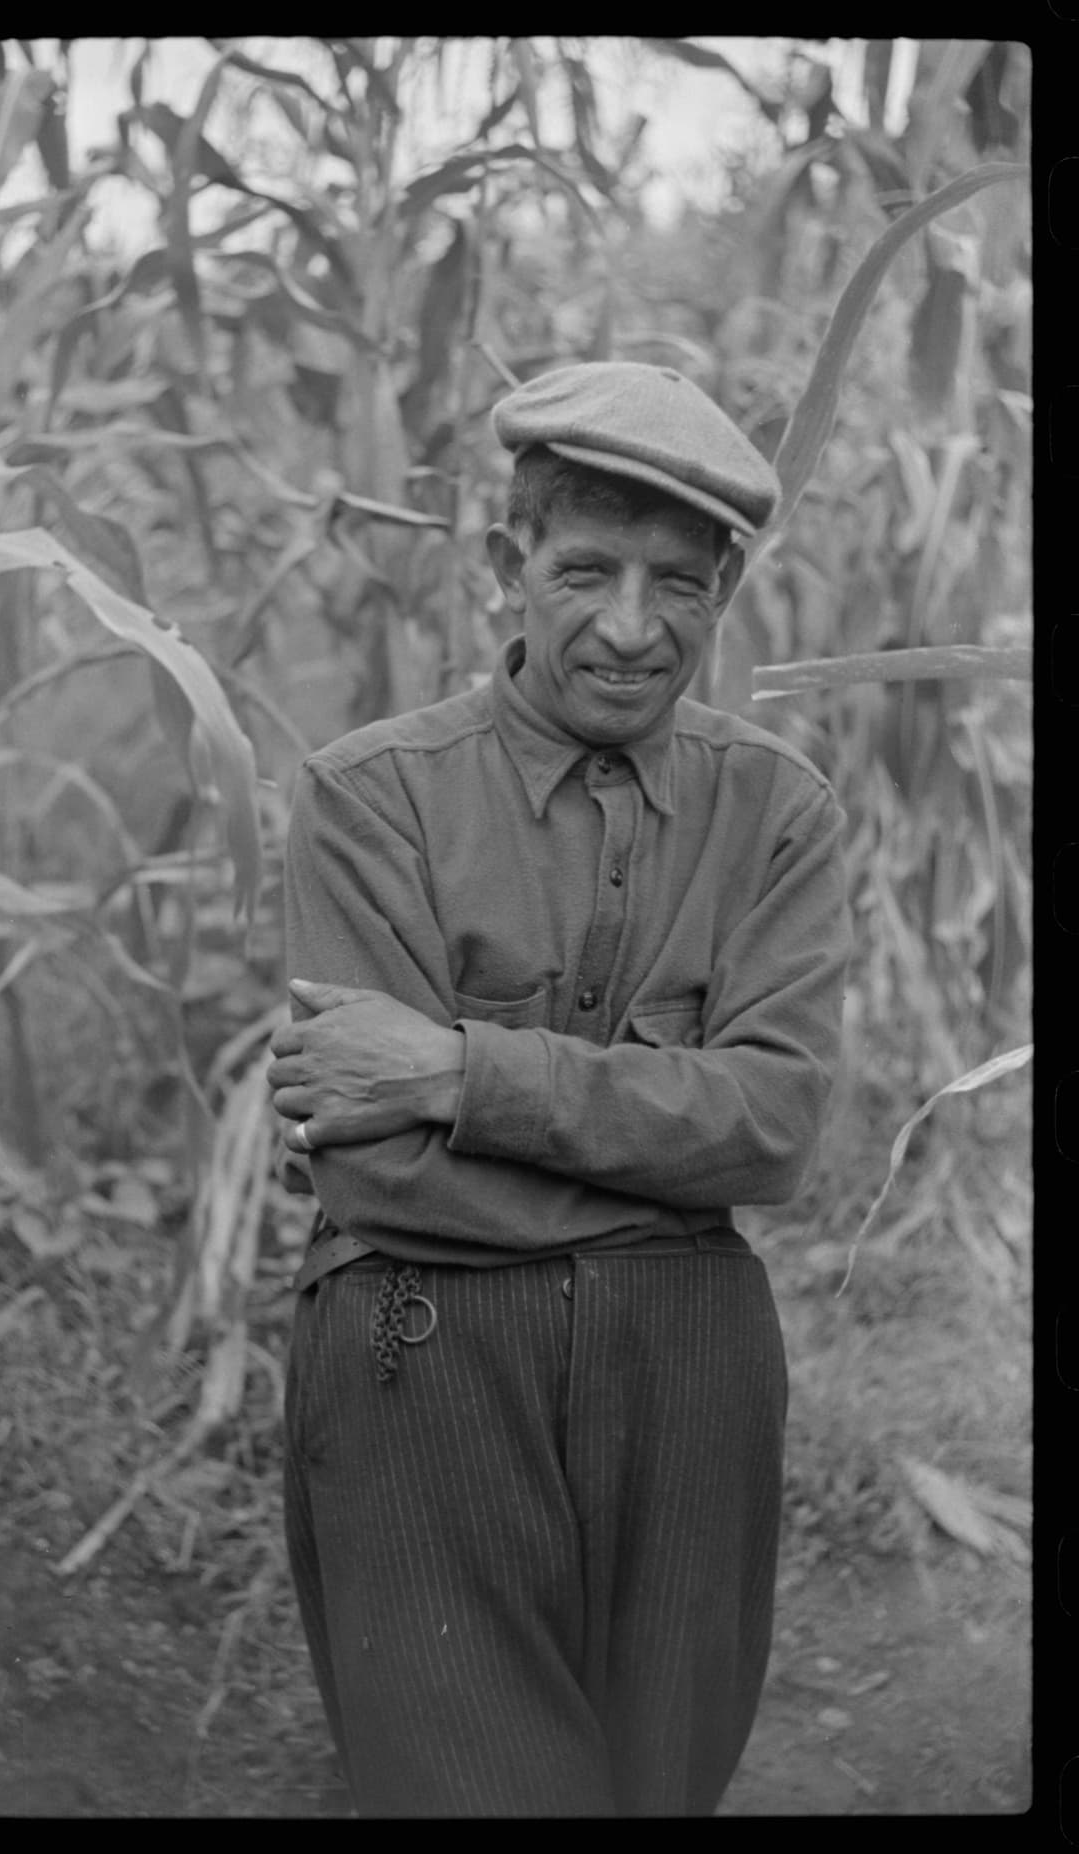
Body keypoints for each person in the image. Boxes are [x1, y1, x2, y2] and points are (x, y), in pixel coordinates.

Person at [266, 360, 851, 1818]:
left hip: (690, 1379)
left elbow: (775, 1127)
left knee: (665, 1784)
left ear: (727, 588)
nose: (631, 627)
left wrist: (457, 1067)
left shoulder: (778, 810)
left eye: (681, 584)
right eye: (585, 568)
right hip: (421, 1348)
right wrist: (663, 1156)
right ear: (504, 563)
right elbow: (372, 1172)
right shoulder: (370, 796)